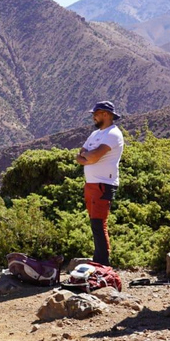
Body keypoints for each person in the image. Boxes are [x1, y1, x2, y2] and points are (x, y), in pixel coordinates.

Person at [76, 101, 125, 266]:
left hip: (103, 185)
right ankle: (99, 261)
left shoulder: (113, 134)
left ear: (106, 114)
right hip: (91, 185)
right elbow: (80, 155)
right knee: (94, 222)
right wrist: (86, 157)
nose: (93, 117)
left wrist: (87, 157)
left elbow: (93, 156)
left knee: (99, 223)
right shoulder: (95, 134)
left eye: (95, 113)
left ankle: (102, 264)